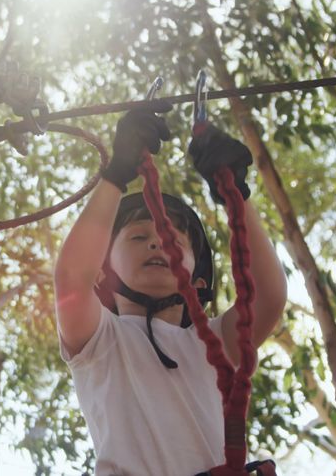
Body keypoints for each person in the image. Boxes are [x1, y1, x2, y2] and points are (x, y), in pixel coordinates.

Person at [54, 102, 287, 475]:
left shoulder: (214, 340)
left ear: (197, 282)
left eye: (174, 241)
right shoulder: (99, 340)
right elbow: (70, 278)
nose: (157, 243)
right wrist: (116, 174)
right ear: (103, 276)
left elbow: (269, 296)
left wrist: (237, 196)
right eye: (137, 237)